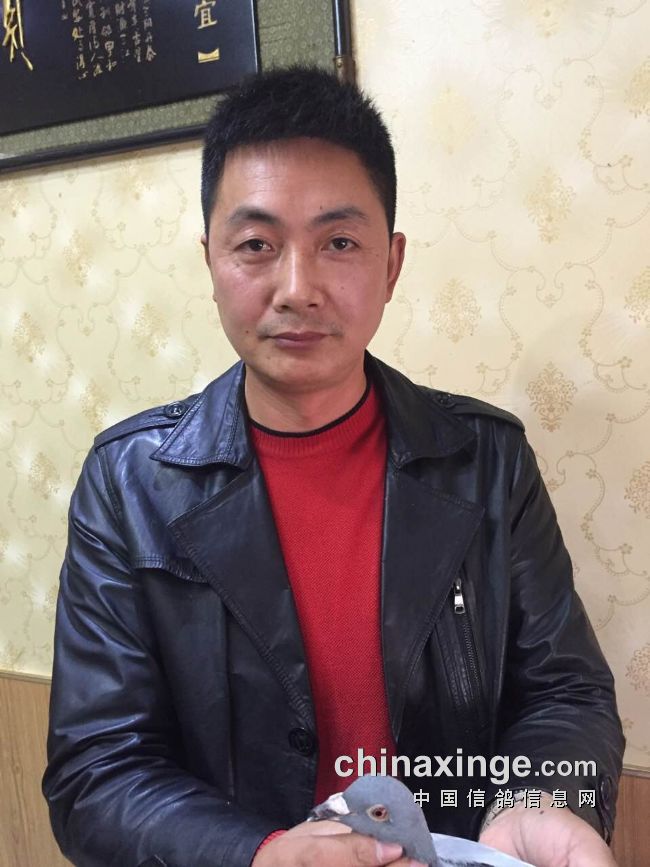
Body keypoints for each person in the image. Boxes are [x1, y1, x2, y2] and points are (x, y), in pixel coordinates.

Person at [43, 67, 624, 867]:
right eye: (256, 245)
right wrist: (259, 854)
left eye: (339, 243)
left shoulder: (487, 460)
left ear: (391, 263)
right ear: (210, 260)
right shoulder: (128, 484)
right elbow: (97, 770)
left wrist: (538, 803)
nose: (297, 288)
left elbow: (566, 692)